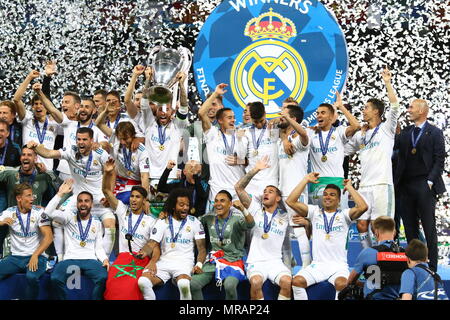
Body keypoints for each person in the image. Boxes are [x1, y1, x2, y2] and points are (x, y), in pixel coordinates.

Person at [27, 127, 116, 258]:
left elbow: (112, 172)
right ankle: (60, 258)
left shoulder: (100, 153)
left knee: (110, 226)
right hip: (77, 199)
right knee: (56, 221)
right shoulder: (71, 151)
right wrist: (35, 147)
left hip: (98, 200)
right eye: (78, 139)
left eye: (84, 139)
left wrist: (110, 195)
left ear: (92, 140)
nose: (81, 142)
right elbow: (48, 153)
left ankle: (105, 260)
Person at [286, 172, 368, 300]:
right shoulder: (314, 212)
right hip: (318, 265)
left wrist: (350, 188)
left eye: (332, 194)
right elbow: (290, 201)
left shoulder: (344, 215)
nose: (327, 197)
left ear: (339, 200)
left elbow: (363, 207)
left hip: (338, 266)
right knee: (297, 282)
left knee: (342, 285)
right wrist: (305, 180)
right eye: (325, 194)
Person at [346, 68, 400, 249]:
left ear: (376, 111)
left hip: (382, 185)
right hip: (364, 186)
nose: (363, 111)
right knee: (362, 225)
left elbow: (395, 107)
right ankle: (369, 258)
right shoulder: (361, 135)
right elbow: (343, 149)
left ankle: (384, 262)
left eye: (366, 108)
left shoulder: (386, 129)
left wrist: (387, 82)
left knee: (381, 226)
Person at [394, 98, 446, 271]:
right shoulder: (405, 132)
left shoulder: (435, 132)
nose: (408, 110)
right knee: (409, 228)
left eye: (411, 107)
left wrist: (430, 181)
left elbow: (439, 160)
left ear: (422, 111)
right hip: (405, 186)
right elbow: (393, 148)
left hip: (425, 185)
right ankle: (414, 265)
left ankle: (432, 267)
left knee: (429, 227)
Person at [234, 156, 291, 300]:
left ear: (278, 198)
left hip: (275, 262)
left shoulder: (285, 217)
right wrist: (255, 170)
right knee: (256, 282)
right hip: (255, 262)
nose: (266, 193)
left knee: (287, 281)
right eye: (265, 191)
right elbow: (238, 188)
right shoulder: (255, 209)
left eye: (270, 191)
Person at [101, 159, 158, 300]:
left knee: (132, 288)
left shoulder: (151, 221)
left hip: (141, 260)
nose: (133, 200)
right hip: (122, 258)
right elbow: (106, 191)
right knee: (112, 283)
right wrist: (106, 173)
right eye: (132, 196)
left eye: (137, 197)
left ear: (144, 200)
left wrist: (152, 262)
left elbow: (155, 246)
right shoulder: (122, 211)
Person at [137, 188, 206, 300]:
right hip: (163, 262)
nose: (185, 208)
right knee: (143, 282)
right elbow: (152, 243)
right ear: (173, 206)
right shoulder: (163, 221)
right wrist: (142, 253)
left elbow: (202, 249)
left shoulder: (195, 222)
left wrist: (198, 265)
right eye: (181, 205)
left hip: (184, 262)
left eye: (187, 205)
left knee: (183, 284)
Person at [44, 181, 109, 300]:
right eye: (80, 201)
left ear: (91, 205)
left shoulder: (97, 223)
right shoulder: (68, 217)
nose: (83, 204)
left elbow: (98, 247)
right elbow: (48, 212)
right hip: (70, 259)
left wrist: (104, 259)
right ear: (77, 204)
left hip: (90, 260)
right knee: (55, 278)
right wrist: (60, 194)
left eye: (86, 201)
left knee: (103, 278)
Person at [190, 190, 254, 300]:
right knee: (193, 284)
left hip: (232, 261)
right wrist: (167, 212)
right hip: (213, 261)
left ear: (230, 204)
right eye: (216, 201)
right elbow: (192, 221)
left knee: (229, 286)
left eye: (222, 201)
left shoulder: (237, 218)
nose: (218, 204)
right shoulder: (208, 218)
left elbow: (250, 224)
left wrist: (243, 209)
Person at [0, 183, 53, 299]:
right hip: (15, 257)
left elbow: (49, 236)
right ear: (19, 198)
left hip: (37, 256)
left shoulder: (39, 213)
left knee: (31, 277)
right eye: (28, 196)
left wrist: (35, 255)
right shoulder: (9, 212)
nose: (32, 198)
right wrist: (1, 222)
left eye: (32, 195)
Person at [306, 92, 360, 206]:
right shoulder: (311, 132)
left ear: (331, 117)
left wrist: (341, 107)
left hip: (337, 184)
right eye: (317, 113)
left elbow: (356, 126)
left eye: (323, 113)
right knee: (317, 221)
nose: (318, 116)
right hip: (317, 185)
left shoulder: (339, 131)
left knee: (339, 222)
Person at [199, 84, 246, 209]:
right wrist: (216, 94)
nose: (233, 120)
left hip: (237, 194)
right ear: (220, 120)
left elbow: (254, 160)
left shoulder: (242, 136)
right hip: (216, 192)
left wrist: (241, 160)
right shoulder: (212, 134)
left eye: (234, 118)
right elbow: (201, 113)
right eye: (229, 118)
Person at [277, 105, 312, 268]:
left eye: (284, 116)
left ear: (294, 119)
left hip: (296, 192)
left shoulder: (300, 139)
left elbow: (304, 134)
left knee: (298, 228)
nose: (280, 118)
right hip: (281, 191)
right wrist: (283, 138)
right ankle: (286, 265)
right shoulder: (281, 141)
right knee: (282, 231)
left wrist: (288, 123)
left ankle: (306, 265)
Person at [140, 72, 189, 184]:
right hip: (150, 177)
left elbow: (183, 108)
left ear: (172, 111)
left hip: (170, 179)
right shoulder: (149, 123)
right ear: (156, 111)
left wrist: (181, 84)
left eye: (167, 109)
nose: (163, 113)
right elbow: (143, 103)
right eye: (160, 109)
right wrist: (148, 80)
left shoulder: (177, 126)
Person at [344, 216, 407, 300]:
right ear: (394, 232)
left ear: (376, 233)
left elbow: (350, 282)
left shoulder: (368, 253)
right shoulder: (406, 255)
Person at [95, 110, 150, 204]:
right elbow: (98, 123)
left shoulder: (142, 151)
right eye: (121, 139)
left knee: (118, 203)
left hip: (133, 185)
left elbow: (144, 177)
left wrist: (144, 199)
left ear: (133, 135)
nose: (123, 142)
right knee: (99, 202)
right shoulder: (115, 138)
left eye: (126, 139)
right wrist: (106, 111)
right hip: (116, 182)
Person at [13, 70, 59, 171]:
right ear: (32, 106)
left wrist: (47, 78)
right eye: (36, 104)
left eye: (42, 104)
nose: (39, 106)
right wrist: (29, 78)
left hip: (48, 171)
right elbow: (16, 99)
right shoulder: (27, 118)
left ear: (47, 107)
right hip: (28, 169)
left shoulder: (54, 123)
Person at [240, 101, 279, 198]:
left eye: (261, 121)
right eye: (255, 122)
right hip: (251, 184)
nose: (259, 125)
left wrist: (276, 119)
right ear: (251, 118)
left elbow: (291, 118)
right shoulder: (245, 132)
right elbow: (240, 158)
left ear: (265, 114)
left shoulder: (274, 128)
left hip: (271, 182)